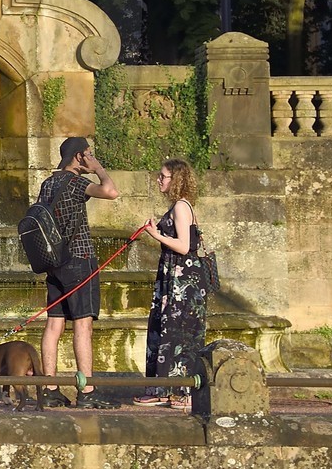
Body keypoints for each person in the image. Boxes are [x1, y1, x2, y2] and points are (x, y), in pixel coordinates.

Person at [39, 136, 120, 409]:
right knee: (83, 325)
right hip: (79, 260)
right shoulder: (75, 183)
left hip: (53, 262)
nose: (90, 157)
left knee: (54, 324)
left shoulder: (47, 183)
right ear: (79, 156)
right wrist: (98, 168)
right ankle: (87, 391)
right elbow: (111, 192)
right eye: (88, 153)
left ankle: (49, 389)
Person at [133, 158, 209, 411]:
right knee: (167, 330)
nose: (159, 180)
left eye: (163, 176)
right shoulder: (179, 206)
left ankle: (179, 391)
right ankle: (163, 389)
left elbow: (185, 246)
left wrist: (156, 235)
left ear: (175, 180)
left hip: (182, 282)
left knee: (178, 333)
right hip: (175, 279)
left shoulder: (181, 206)